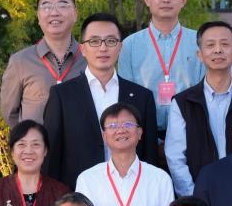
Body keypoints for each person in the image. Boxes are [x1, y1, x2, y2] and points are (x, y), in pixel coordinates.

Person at [44, 13, 161, 183]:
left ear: (120, 47)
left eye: (110, 41)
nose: (103, 48)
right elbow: (52, 155)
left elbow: (149, 155)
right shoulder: (62, 95)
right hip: (78, 191)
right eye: (94, 41)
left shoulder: (142, 97)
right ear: (83, 49)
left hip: (132, 189)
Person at [166, 21, 232, 197]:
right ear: (199, 54)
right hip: (199, 194)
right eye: (210, 45)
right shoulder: (183, 103)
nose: (217, 50)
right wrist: (195, 197)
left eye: (224, 44)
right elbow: (176, 158)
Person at [76, 102, 177, 206]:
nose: (120, 130)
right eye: (113, 126)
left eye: (128, 124)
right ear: (104, 136)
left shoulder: (160, 179)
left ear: (140, 132)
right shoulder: (87, 179)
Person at [119, 0, 202, 128]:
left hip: (190, 129)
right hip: (144, 131)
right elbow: (126, 97)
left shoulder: (200, 42)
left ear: (183, 0)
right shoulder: (129, 45)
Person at [1, 0, 86, 125]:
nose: (54, 12)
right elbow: (10, 114)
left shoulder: (90, 58)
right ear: (38, 16)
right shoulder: (20, 61)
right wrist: (29, 137)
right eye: (46, 6)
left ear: (75, 13)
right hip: (39, 140)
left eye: (62, 5)